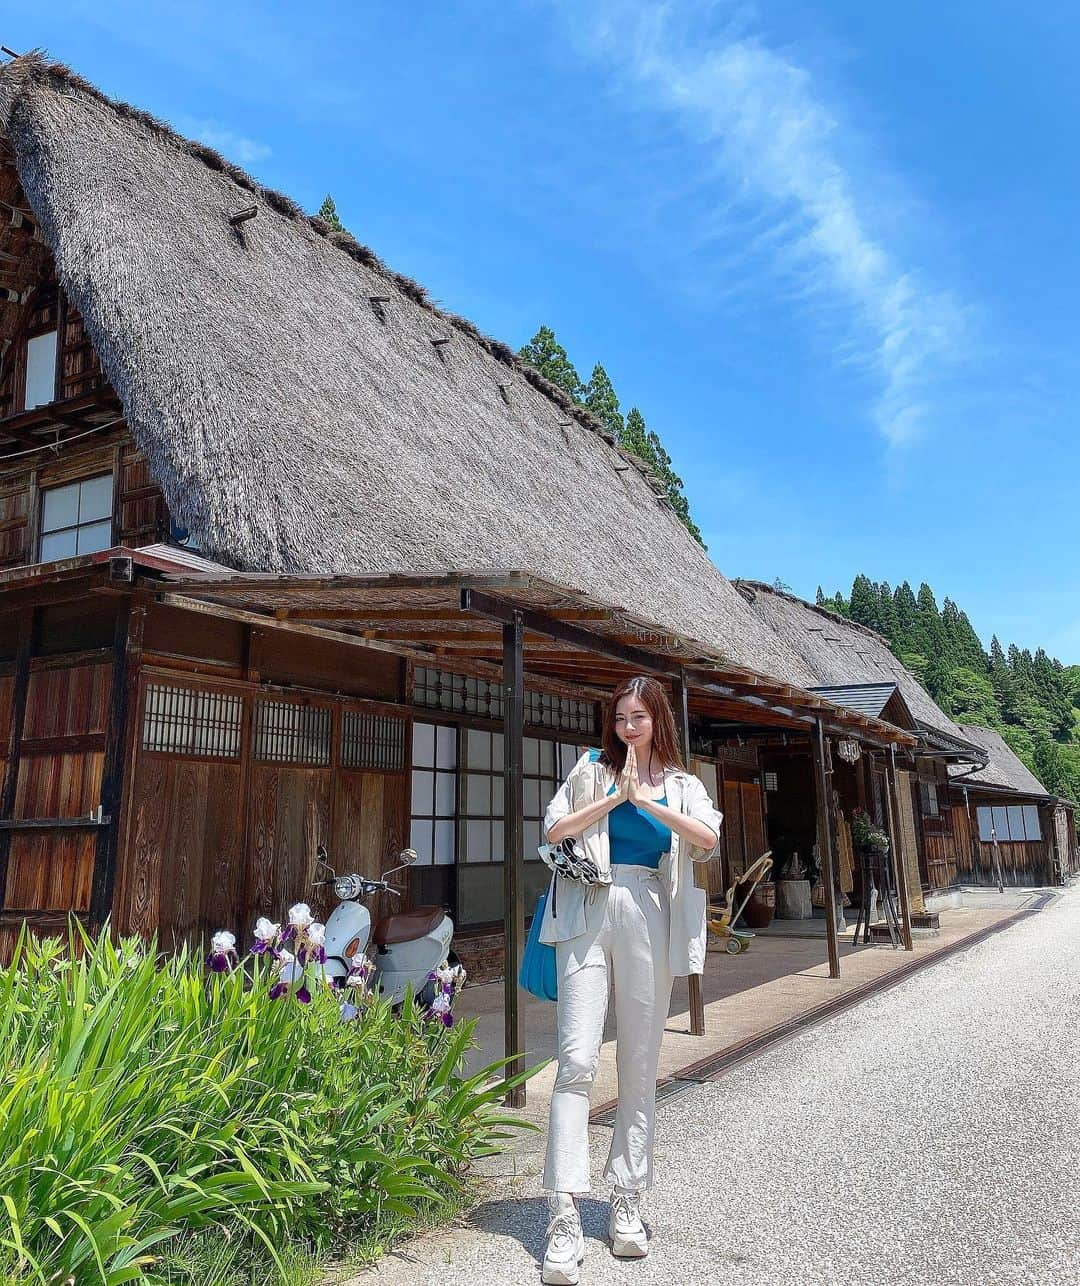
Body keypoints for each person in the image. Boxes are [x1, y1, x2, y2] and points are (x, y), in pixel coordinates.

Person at [536, 675, 724, 1285]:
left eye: (638, 718)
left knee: (640, 1064)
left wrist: (644, 800)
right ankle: (564, 1213)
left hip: (647, 907)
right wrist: (614, 797)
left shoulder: (683, 783)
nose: (627, 728)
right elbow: (555, 829)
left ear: (658, 720)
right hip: (588, 905)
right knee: (575, 1060)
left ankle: (626, 1199)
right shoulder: (589, 767)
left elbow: (707, 840)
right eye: (620, 718)